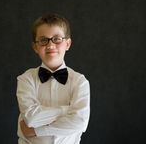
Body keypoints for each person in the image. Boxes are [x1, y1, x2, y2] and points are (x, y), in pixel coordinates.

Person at [16, 13, 90, 143]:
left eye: (57, 39)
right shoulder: (25, 79)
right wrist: (67, 110)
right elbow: (31, 118)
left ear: (67, 44)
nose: (50, 45)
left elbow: (79, 122)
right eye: (43, 40)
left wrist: (36, 131)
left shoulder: (79, 81)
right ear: (35, 47)